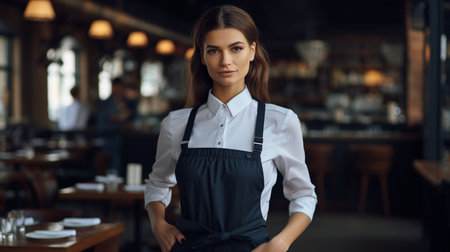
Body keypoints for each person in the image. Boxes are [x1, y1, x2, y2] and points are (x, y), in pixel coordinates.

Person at [145, 5, 317, 252]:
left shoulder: (280, 121)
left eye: (236, 49)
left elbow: (303, 194)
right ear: (202, 57)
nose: (225, 61)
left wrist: (280, 242)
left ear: (252, 51)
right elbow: (158, 183)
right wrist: (158, 223)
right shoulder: (176, 124)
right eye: (214, 51)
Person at [96, 78, 130, 176]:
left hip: (118, 137)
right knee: (113, 165)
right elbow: (107, 119)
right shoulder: (108, 102)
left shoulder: (122, 101)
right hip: (109, 137)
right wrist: (122, 118)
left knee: (118, 164)